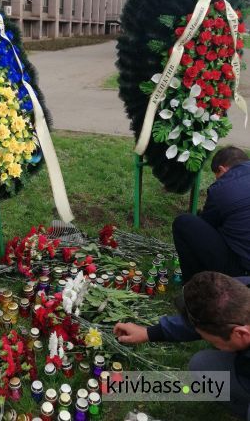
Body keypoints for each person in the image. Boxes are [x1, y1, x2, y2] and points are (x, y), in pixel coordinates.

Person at [114, 271, 250, 419]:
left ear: (241, 334)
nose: (214, 345)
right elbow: (206, 318)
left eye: (213, 341)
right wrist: (149, 333)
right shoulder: (239, 292)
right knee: (202, 365)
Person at [173, 146, 250, 282]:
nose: (217, 180)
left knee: (184, 223)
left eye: (217, 177)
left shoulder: (223, 187)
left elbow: (208, 224)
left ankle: (195, 286)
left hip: (242, 271)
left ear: (222, 169)